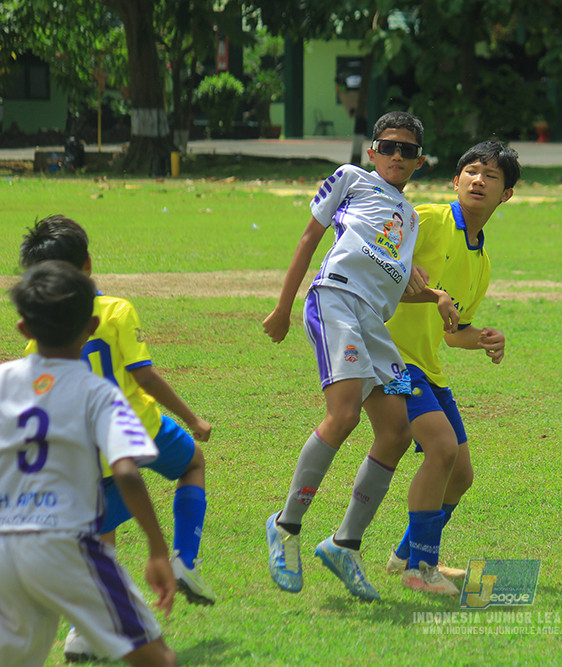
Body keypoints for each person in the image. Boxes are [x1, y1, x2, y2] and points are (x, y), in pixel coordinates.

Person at [263, 111, 459, 602]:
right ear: (372, 151)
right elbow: (309, 239)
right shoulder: (351, 179)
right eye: (389, 146)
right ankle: (286, 527)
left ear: (418, 161)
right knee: (344, 413)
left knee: (396, 431)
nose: (397, 155)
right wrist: (283, 308)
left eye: (408, 150)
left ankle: (344, 544)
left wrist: (432, 293)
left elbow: (395, 284)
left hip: (374, 323)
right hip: (336, 301)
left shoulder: (411, 219)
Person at [19, 216, 215, 661]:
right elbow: (143, 375)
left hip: (88, 453)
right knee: (192, 463)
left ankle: (80, 635)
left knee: (101, 535)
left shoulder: (37, 340)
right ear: (87, 263)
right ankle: (184, 559)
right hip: (141, 430)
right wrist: (191, 417)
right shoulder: (115, 310)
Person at [0, 260, 176, 667]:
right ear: (92, 326)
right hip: (67, 543)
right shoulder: (98, 393)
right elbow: (127, 472)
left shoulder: (4, 381)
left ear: (24, 330)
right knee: (159, 658)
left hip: (5, 545)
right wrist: (156, 548)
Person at [383, 140, 519, 595]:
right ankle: (421, 569)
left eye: (492, 176)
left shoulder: (481, 262)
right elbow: (380, 274)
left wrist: (483, 339)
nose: (480, 180)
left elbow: (453, 329)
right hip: (389, 357)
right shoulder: (426, 220)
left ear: (507, 195)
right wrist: (420, 288)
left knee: (460, 475)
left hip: (427, 366)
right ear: (454, 180)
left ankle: (405, 552)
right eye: (473, 171)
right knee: (441, 450)